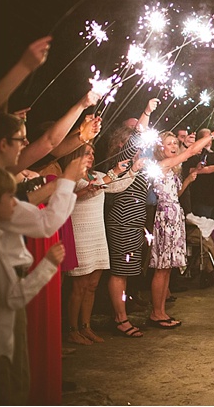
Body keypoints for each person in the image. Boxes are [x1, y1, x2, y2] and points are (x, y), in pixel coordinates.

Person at [0, 167, 66, 406]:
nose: (17, 205)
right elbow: (13, 298)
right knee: (12, 391)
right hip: (1, 341)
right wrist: (47, 264)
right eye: (10, 199)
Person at [60, 144, 140, 345]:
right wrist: (112, 173)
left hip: (97, 233)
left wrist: (132, 170)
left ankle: (86, 327)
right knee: (79, 285)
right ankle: (72, 329)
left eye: (93, 152)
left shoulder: (96, 175)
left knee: (93, 284)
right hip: (79, 233)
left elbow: (116, 186)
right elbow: (66, 198)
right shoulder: (70, 177)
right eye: (87, 152)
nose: (91, 155)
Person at [148, 128, 214, 329]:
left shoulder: (172, 169)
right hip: (165, 217)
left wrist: (188, 181)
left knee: (167, 268)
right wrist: (213, 135)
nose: (174, 146)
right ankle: (156, 313)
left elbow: (176, 193)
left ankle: (162, 311)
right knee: (161, 267)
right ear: (160, 148)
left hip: (175, 214)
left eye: (175, 143)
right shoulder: (162, 164)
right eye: (170, 143)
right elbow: (191, 152)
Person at [104, 99, 159, 338]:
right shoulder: (122, 162)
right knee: (119, 271)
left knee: (126, 271)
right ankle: (120, 319)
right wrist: (146, 112)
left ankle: (122, 314)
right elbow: (138, 137)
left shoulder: (136, 162)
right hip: (122, 221)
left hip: (134, 222)